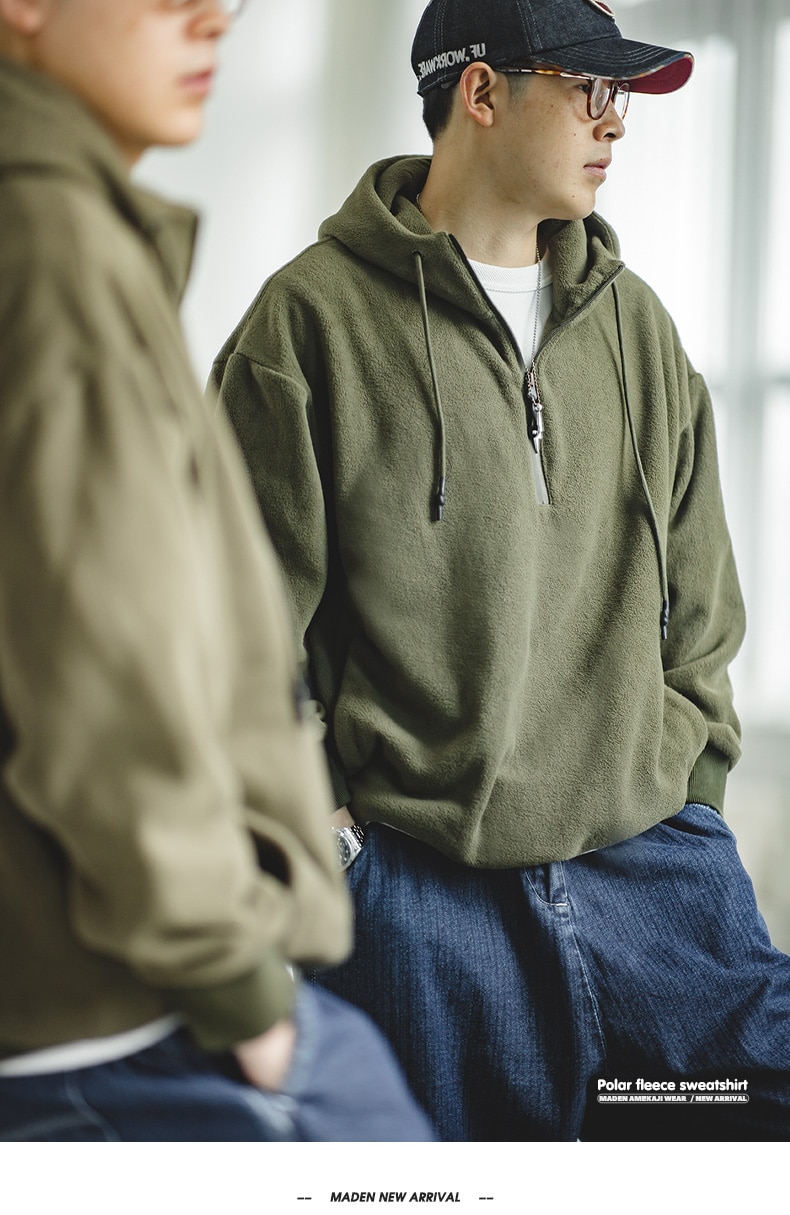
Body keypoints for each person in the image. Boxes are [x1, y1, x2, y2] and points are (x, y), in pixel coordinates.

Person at [210, 0, 790, 1141]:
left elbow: (703, 609)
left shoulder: (637, 327)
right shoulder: (307, 322)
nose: (614, 122)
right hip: (420, 894)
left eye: (620, 96)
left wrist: (690, 799)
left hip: (650, 875)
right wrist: (334, 843)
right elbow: (237, 633)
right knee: (448, 1198)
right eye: (588, 89)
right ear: (479, 92)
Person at [0, 0, 434, 1143]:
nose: (210, 17)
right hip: (125, 1011)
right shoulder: (52, 244)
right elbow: (101, 671)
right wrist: (238, 989)